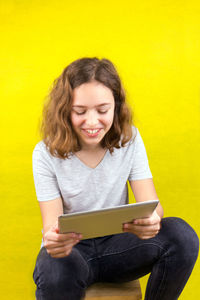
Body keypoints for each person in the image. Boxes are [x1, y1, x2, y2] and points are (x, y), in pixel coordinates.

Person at [32, 57, 199, 300]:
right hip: (73, 252)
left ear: (116, 107)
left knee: (182, 236)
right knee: (53, 265)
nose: (92, 122)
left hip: (121, 247)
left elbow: (152, 204)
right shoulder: (44, 153)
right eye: (80, 111)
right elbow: (51, 223)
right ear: (65, 110)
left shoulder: (129, 140)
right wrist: (54, 238)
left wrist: (152, 220)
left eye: (102, 110)